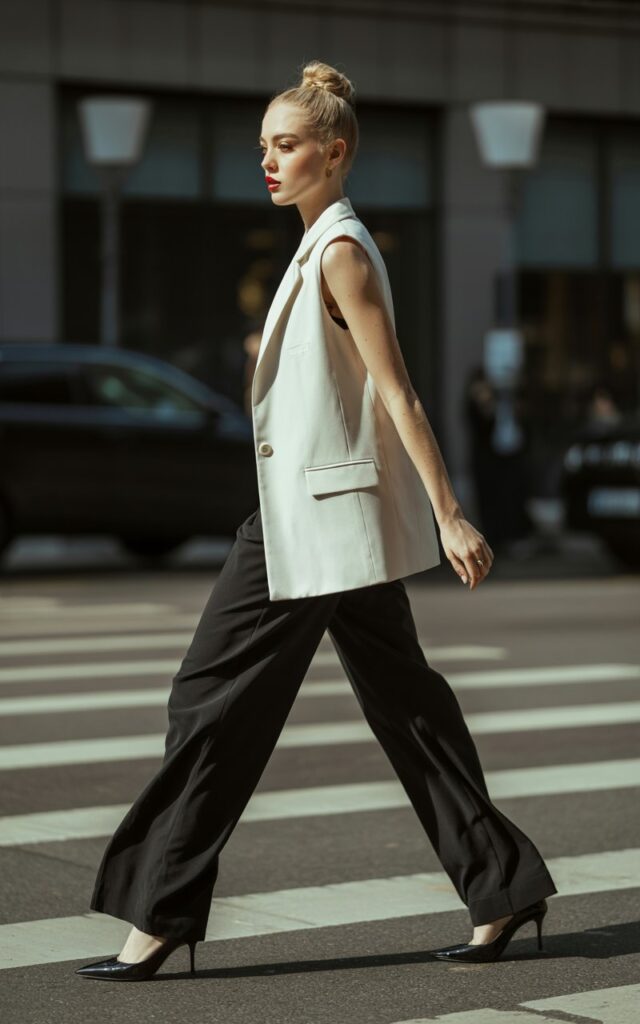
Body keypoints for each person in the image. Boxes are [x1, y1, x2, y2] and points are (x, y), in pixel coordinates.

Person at [76, 60, 557, 983]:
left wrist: (452, 515)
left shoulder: (340, 250)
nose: (268, 160)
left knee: (208, 699)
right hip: (328, 517)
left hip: (310, 522)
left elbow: (398, 391)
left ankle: (159, 913)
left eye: (287, 145)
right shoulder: (316, 248)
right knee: (407, 706)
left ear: (333, 154)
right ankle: (502, 886)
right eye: (263, 145)